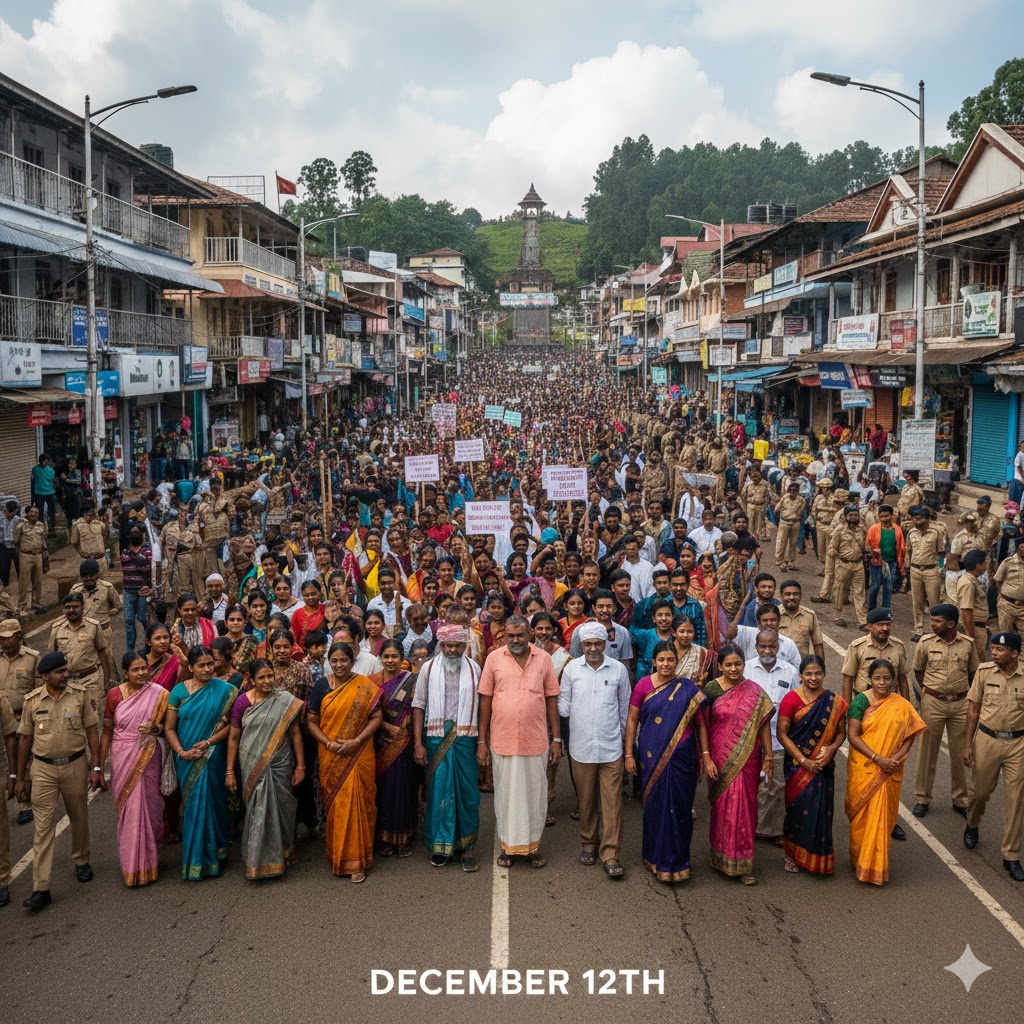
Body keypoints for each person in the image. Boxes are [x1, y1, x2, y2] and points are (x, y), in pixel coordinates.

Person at [15, 651, 104, 910]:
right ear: (45, 676)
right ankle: (41, 887)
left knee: (79, 817)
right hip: (43, 770)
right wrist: (20, 778)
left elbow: (92, 731)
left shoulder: (79, 695)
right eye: (60, 672)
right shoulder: (32, 701)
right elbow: (25, 740)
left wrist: (96, 766)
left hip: (74, 765)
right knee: (43, 828)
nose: (66, 675)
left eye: (66, 670)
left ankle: (81, 860)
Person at [477, 613, 561, 869]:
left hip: (535, 739)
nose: (516, 640)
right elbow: (485, 700)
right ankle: (509, 847)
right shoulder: (494, 658)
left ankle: (532, 847)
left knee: (535, 794)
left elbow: (552, 699)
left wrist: (557, 738)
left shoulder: (543, 658)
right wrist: (482, 742)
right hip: (503, 738)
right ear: (505, 635)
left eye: (520, 635)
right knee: (506, 795)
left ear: (529, 634)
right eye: (511, 636)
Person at [624, 639, 711, 882]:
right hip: (651, 756)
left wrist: (705, 755)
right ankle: (654, 858)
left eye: (671, 660)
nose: (666, 664)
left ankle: (679, 862)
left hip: (683, 758)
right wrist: (629, 754)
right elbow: (632, 721)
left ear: (677, 661)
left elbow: (701, 725)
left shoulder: (688, 688)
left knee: (680, 809)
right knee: (655, 807)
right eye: (661, 660)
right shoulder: (643, 685)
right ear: (653, 662)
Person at [558, 622, 630, 879]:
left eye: (598, 644)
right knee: (586, 800)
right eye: (588, 644)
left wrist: (626, 745)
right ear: (581, 645)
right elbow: (563, 704)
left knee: (612, 802)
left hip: (611, 746)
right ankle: (589, 843)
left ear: (605, 643)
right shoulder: (571, 670)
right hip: (582, 746)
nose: (593, 649)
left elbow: (625, 708)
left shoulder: (619, 669)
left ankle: (611, 854)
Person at [845, 658, 925, 885]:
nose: (882, 683)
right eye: (877, 678)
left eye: (887, 678)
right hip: (865, 766)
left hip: (890, 768)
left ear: (894, 680)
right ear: (869, 679)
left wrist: (894, 759)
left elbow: (910, 735)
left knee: (882, 818)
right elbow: (853, 736)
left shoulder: (901, 704)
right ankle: (860, 859)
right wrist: (878, 759)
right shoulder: (861, 701)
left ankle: (875, 865)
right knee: (862, 816)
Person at [306, 642, 382, 882]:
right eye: (334, 661)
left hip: (359, 753)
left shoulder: (364, 686)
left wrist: (356, 741)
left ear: (352, 661)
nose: (339, 665)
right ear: (328, 662)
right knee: (338, 806)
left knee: (360, 803)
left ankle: (358, 860)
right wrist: (328, 743)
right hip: (331, 755)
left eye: (344, 660)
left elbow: (377, 716)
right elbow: (311, 720)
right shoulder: (321, 686)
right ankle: (337, 855)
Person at [225, 658, 304, 880]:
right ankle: (256, 859)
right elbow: (234, 737)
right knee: (257, 809)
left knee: (283, 806)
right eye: (261, 677)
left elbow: (295, 733)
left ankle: (285, 850)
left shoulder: (285, 700)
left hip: (280, 762)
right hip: (252, 763)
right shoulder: (242, 703)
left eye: (270, 676)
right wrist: (229, 772)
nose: (267, 681)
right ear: (251, 679)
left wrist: (300, 766)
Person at [164, 645, 238, 881]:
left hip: (214, 756)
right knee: (193, 807)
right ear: (190, 667)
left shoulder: (226, 690)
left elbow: (233, 726)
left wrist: (209, 742)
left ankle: (216, 856)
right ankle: (195, 861)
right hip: (187, 759)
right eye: (201, 665)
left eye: (210, 664)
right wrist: (181, 752)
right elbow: (169, 728)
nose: (207, 669)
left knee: (216, 805)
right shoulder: (178, 692)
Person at [412, 625, 483, 869]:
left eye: (457, 645)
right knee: (439, 792)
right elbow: (418, 704)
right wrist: (418, 743)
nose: (452, 650)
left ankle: (467, 846)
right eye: (447, 645)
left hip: (466, 738)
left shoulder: (475, 669)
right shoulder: (428, 668)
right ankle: (440, 845)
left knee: (467, 793)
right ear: (440, 646)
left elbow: (483, 707)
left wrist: (483, 743)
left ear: (464, 646)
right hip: (435, 738)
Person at [703, 644, 774, 885]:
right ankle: (720, 857)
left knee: (744, 810)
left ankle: (743, 864)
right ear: (720, 666)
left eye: (738, 664)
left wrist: (768, 758)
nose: (734, 669)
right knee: (722, 808)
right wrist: (706, 758)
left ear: (744, 664)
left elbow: (763, 726)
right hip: (719, 758)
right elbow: (702, 725)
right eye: (728, 665)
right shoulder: (711, 690)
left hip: (748, 759)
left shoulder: (755, 692)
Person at [98, 650, 168, 887]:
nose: (141, 673)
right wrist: (98, 766)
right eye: (135, 670)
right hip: (123, 754)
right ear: (125, 673)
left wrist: (155, 729)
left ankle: (150, 861)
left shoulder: (158, 693)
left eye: (143, 668)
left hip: (149, 752)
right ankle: (131, 865)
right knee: (130, 810)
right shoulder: (114, 695)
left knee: (152, 806)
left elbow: (166, 727)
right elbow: (107, 731)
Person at [776, 655, 848, 874]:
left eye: (818, 673)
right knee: (798, 811)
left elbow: (841, 733)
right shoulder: (791, 699)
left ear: (824, 674)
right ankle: (793, 855)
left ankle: (818, 859)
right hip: (797, 766)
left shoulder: (834, 702)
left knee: (822, 811)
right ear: (800, 676)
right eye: (808, 674)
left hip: (823, 765)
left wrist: (832, 749)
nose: (813, 678)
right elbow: (782, 734)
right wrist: (803, 760)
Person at [963, 632, 1024, 881]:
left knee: (1016, 799)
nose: (994, 653)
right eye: (993, 649)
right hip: (987, 739)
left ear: (1015, 653)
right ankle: (972, 823)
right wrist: (967, 745)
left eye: (1000, 650)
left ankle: (1011, 855)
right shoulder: (984, 672)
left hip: (1018, 743)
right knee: (979, 793)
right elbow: (973, 709)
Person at [911, 604, 979, 820]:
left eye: (937, 621)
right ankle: (922, 798)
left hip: (961, 704)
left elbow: (974, 673)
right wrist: (931, 691)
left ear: (951, 624)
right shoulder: (925, 643)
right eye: (932, 620)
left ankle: (960, 799)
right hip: (933, 702)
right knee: (927, 752)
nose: (933, 624)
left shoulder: (968, 644)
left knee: (961, 753)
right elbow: (918, 671)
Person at [744, 628, 799, 845]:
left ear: (778, 647)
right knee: (751, 783)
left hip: (779, 738)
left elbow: (797, 703)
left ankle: (775, 830)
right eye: (763, 646)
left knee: (776, 784)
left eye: (772, 646)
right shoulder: (746, 669)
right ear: (756, 647)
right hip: (750, 738)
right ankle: (750, 827)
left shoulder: (790, 672)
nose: (767, 650)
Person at [373, 638, 418, 857]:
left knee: (404, 788)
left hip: (405, 742)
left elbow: (417, 710)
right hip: (381, 742)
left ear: (402, 658)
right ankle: (383, 837)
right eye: (386, 656)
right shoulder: (372, 682)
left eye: (394, 656)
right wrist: (386, 727)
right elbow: (369, 713)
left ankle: (403, 836)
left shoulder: (411, 680)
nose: (390, 660)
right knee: (383, 790)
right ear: (380, 658)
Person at [0, 618, 40, 825]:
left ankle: (25, 803)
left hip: (24, 717)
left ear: (19, 636)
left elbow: (40, 691)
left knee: (26, 761)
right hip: (3, 722)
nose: (5, 643)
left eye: (9, 638)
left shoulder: (33, 658)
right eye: (2, 639)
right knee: (9, 762)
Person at [47, 592, 112, 714]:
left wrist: (106, 680)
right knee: (69, 716)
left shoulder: (94, 626)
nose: (71, 610)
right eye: (67, 607)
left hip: (90, 681)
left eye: (75, 607)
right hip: (66, 682)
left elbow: (102, 652)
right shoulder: (57, 629)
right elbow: (51, 657)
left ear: (82, 607)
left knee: (92, 716)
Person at [906, 506, 944, 642]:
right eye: (915, 518)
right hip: (915, 570)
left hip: (931, 570)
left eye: (920, 518)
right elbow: (908, 550)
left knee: (934, 602)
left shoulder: (936, 532)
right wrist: (907, 565)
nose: (916, 521)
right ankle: (918, 629)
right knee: (917, 601)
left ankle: (936, 631)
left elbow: (941, 551)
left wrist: (940, 568)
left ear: (927, 519)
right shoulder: (911, 533)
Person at [120, 526, 153, 652]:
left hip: (143, 591)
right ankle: (130, 650)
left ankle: (149, 646)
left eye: (136, 534)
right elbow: (128, 565)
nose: (135, 536)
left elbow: (147, 569)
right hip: (128, 591)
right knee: (129, 620)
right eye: (132, 534)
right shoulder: (125, 552)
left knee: (143, 618)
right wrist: (139, 560)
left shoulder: (146, 551)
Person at [777, 580, 824, 661]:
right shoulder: (774, 615)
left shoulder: (810, 615)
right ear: (781, 596)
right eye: (787, 594)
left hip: (801, 665)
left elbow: (818, 644)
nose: (792, 597)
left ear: (800, 596)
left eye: (795, 594)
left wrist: (821, 666)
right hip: (779, 664)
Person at [957, 549, 991, 661]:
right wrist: (970, 638)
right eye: (984, 563)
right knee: (976, 662)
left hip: (978, 626)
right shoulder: (968, 583)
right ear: (978, 565)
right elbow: (966, 611)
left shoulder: (971, 580)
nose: (986, 565)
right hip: (974, 629)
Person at [15, 505, 47, 615]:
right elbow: (16, 541)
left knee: (38, 581)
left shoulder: (40, 525)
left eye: (36, 513)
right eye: (32, 512)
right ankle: (21, 605)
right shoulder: (21, 525)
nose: (34, 514)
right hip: (25, 556)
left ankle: (36, 603)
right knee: (24, 582)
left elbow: (43, 539)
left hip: (38, 556)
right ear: (27, 514)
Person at [31, 454, 57, 531]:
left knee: (51, 511)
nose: (46, 463)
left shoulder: (50, 469)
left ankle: (52, 526)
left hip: (49, 492)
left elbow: (52, 480)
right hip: (39, 493)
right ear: (41, 461)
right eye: (45, 461)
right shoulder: (35, 469)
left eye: (47, 462)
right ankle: (41, 525)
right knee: (40, 511)